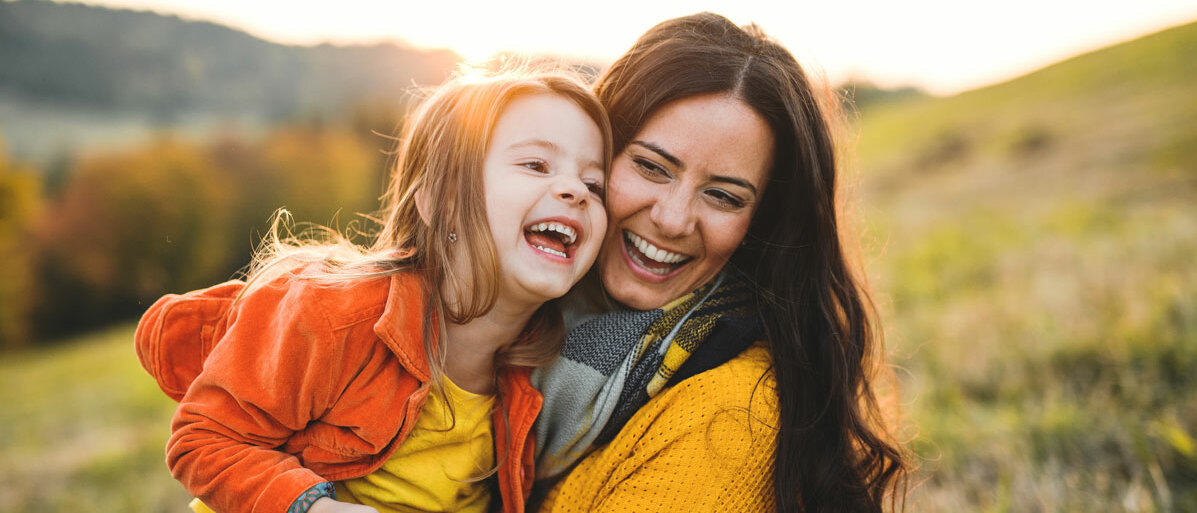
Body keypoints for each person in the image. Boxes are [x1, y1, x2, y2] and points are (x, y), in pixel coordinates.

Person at [133, 68, 612, 513]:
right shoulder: (334, 315)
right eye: (536, 164)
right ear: (440, 201)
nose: (575, 190)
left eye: (595, 184)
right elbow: (203, 439)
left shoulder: (543, 373)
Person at [531, 13, 909, 512]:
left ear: (762, 222)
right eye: (650, 166)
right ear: (595, 153)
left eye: (724, 196)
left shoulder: (728, 416)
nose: (672, 219)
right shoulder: (509, 313)